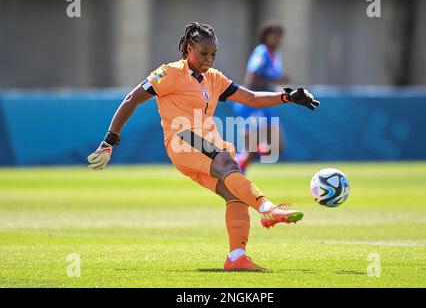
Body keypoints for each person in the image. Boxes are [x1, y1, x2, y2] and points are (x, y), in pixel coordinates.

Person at [87, 22, 320, 271]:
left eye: (213, 54)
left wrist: (287, 97)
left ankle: (237, 257)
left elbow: (250, 98)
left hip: (206, 144)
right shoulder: (168, 73)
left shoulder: (214, 78)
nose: (208, 59)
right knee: (228, 163)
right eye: (203, 53)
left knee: (235, 192)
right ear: (189, 48)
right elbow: (132, 98)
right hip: (182, 139)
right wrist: (110, 139)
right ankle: (268, 207)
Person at [233, 21, 289, 173]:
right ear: (266, 36)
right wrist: (276, 81)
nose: (277, 39)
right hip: (251, 102)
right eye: (274, 35)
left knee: (278, 146)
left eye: (279, 36)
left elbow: (270, 81)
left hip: (265, 103)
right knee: (251, 148)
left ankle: (240, 161)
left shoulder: (276, 54)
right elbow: (251, 80)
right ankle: (235, 169)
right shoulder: (261, 52)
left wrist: (279, 90)